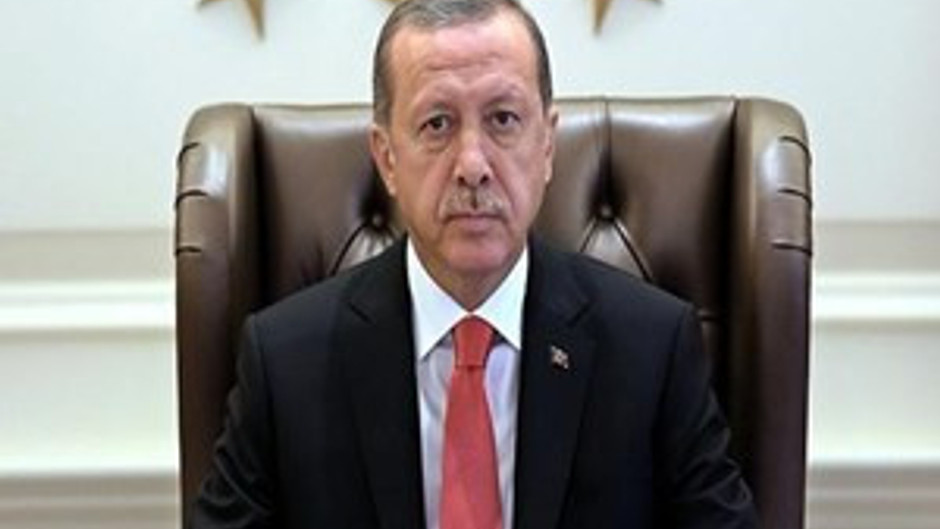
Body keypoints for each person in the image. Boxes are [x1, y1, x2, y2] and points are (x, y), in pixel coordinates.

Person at [189, 0, 758, 527]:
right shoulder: (285, 363)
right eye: (437, 124)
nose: (473, 166)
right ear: (387, 159)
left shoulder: (653, 349)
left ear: (547, 145)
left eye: (503, 119)